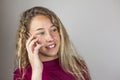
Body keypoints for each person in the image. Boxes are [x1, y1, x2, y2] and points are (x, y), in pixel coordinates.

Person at [14, 6, 91, 80]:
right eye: (41, 33)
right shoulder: (21, 75)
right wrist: (37, 71)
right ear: (27, 38)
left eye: (53, 30)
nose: (50, 38)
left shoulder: (77, 65)